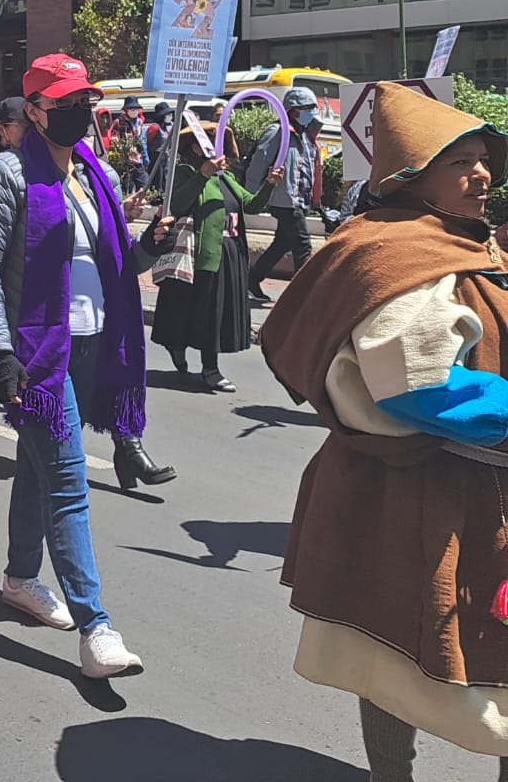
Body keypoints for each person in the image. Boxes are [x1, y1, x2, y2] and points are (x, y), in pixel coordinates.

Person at [258, 83, 508, 781]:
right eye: (460, 161)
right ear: (411, 175)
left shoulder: (470, 244)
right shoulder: (391, 250)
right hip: (413, 488)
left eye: (484, 159)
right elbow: (416, 385)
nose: (481, 174)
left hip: (480, 488)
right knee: (393, 649)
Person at [0, 52, 170, 681]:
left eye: (86, 101)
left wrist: (147, 249)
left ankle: (20, 578)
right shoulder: (5, 175)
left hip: (90, 343)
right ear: (34, 111)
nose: (82, 112)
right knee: (68, 486)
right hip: (38, 355)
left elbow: (112, 267)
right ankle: (96, 625)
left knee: (35, 472)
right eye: (66, 104)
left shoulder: (96, 173)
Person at [151, 123, 283, 393]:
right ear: (193, 147)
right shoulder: (185, 172)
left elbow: (250, 204)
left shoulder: (226, 177)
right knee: (200, 312)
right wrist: (202, 175)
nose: (212, 146)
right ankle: (208, 368)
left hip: (229, 253)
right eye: (206, 141)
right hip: (199, 256)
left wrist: (269, 186)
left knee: (216, 314)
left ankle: (205, 362)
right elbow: (175, 204)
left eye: (215, 141)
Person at [244, 86, 322, 301]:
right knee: (302, 245)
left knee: (283, 243)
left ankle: (253, 279)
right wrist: (251, 195)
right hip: (285, 199)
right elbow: (259, 161)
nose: (312, 112)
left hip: (298, 199)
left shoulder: (306, 135)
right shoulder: (278, 131)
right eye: (308, 108)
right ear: (294, 110)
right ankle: (305, 297)